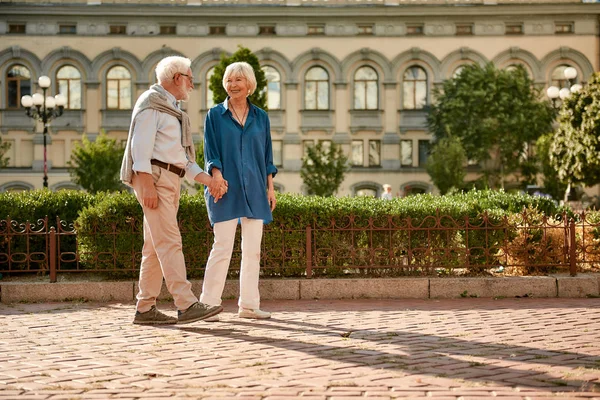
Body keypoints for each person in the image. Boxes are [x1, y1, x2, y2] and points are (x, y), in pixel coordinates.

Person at [120, 56, 227, 325]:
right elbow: (139, 147)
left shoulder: (172, 109)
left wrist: (210, 181)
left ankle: (145, 308)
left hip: (170, 178)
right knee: (169, 241)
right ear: (177, 78)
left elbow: (184, 161)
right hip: (154, 178)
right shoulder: (151, 103)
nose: (192, 84)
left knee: (155, 246)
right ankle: (186, 303)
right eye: (190, 78)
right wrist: (144, 183)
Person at [199, 61, 277, 321]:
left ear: (249, 85)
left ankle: (249, 306)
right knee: (222, 247)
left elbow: (267, 156)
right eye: (229, 80)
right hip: (224, 188)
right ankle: (208, 304)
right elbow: (211, 153)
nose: (232, 85)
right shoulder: (214, 116)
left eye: (238, 80)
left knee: (253, 250)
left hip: (255, 188)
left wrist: (270, 188)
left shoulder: (261, 117)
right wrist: (217, 177)